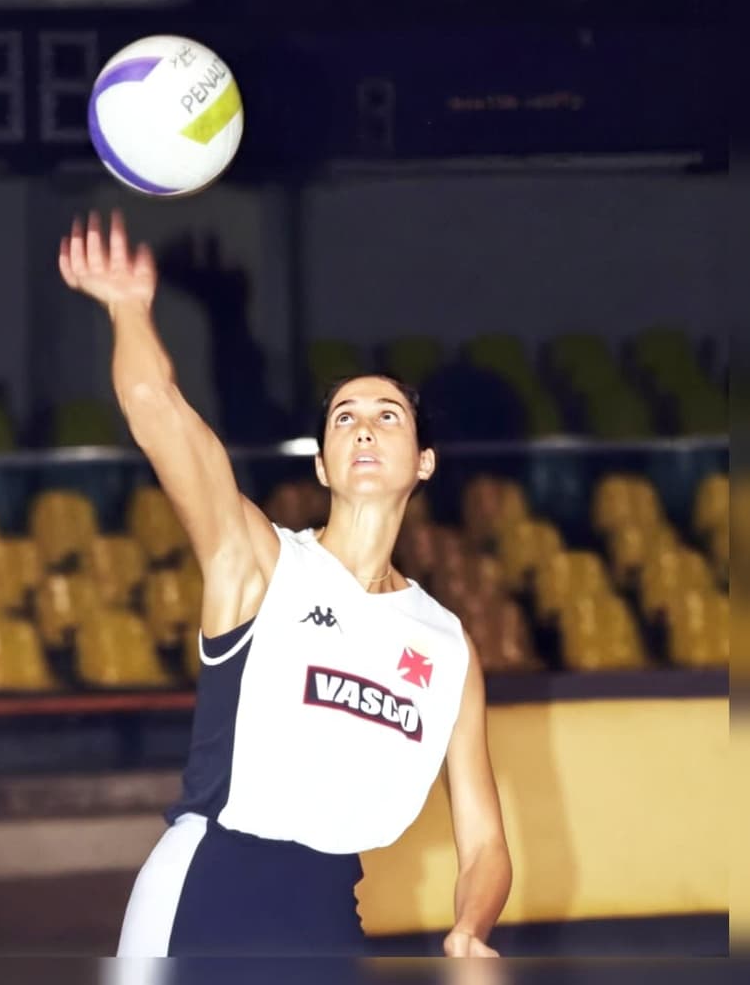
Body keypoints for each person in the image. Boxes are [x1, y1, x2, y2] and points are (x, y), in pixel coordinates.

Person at [59, 209, 513, 959]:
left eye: (388, 416)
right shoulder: (261, 562)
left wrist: (470, 928)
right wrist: (127, 309)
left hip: (330, 913)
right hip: (209, 888)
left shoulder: (447, 646)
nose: (364, 427)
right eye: (344, 417)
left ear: (424, 462)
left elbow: (486, 843)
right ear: (322, 465)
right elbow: (157, 410)